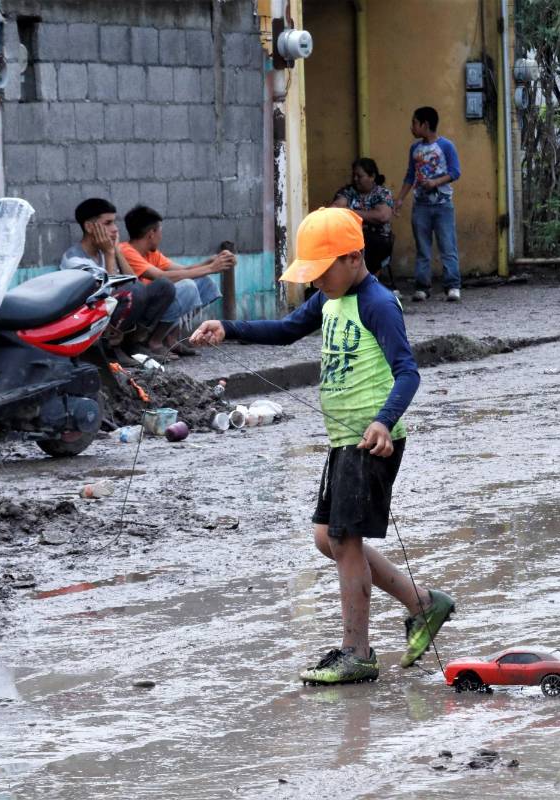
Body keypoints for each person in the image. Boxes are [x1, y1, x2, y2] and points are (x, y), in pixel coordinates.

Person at [190, 207, 455, 685]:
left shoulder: (377, 303)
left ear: (354, 258)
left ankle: (357, 651)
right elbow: (287, 329)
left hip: (372, 441)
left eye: (322, 271)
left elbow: (408, 372)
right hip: (342, 440)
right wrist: (228, 328)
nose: (316, 283)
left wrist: (382, 421)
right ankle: (422, 602)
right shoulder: (329, 299)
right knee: (326, 538)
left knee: (343, 539)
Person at [60, 198, 177, 358]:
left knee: (164, 286)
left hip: (112, 311)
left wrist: (116, 252)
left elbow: (133, 281)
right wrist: (109, 254)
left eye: (114, 223)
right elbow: (104, 297)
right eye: (108, 223)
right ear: (89, 227)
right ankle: (110, 348)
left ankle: (132, 344)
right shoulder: (75, 260)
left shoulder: (104, 250)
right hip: (91, 322)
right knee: (132, 292)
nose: (115, 229)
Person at [119, 205, 234, 357]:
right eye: (160, 231)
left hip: (157, 308)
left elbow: (185, 270)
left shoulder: (152, 253)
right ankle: (154, 342)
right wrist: (212, 268)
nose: (161, 235)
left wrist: (211, 261)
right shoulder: (126, 251)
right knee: (187, 286)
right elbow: (160, 276)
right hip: (142, 315)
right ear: (151, 234)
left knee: (204, 283)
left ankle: (171, 339)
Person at [393, 106, 462, 303]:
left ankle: (453, 285)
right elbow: (410, 175)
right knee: (423, 247)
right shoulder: (414, 149)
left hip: (443, 205)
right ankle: (422, 287)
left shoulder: (446, 146)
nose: (411, 127)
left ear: (425, 124)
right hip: (420, 206)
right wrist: (400, 199)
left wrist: (435, 183)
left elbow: (455, 172)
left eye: (414, 122)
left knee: (447, 246)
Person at [331, 158, 396, 293]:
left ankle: (366, 285)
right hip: (350, 237)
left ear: (372, 177)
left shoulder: (382, 193)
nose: (355, 179)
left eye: (359, 176)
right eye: (354, 175)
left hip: (377, 238)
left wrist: (350, 212)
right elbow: (335, 208)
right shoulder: (348, 191)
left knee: (367, 245)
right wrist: (367, 215)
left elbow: (382, 216)